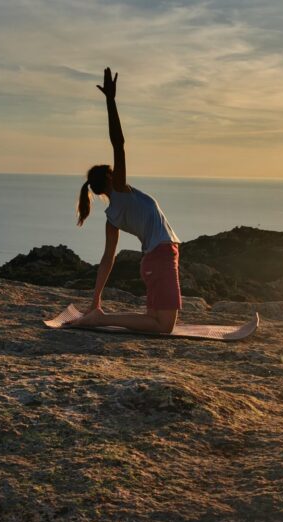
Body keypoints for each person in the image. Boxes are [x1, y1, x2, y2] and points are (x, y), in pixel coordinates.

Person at [68, 67, 182, 334]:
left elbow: (108, 259)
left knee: (155, 320)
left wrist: (95, 299)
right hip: (161, 258)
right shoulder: (119, 189)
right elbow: (118, 143)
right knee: (163, 327)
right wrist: (111, 101)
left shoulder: (112, 216)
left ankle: (99, 315)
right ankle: (101, 319)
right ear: (110, 177)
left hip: (155, 260)